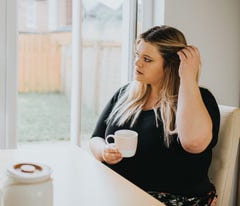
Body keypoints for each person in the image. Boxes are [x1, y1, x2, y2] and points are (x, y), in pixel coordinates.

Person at [89, 25, 220, 206]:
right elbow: (95, 138)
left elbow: (194, 144)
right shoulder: (125, 94)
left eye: (147, 59)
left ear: (171, 65)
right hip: (120, 193)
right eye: (137, 55)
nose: (137, 63)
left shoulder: (200, 99)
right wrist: (104, 152)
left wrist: (187, 77)